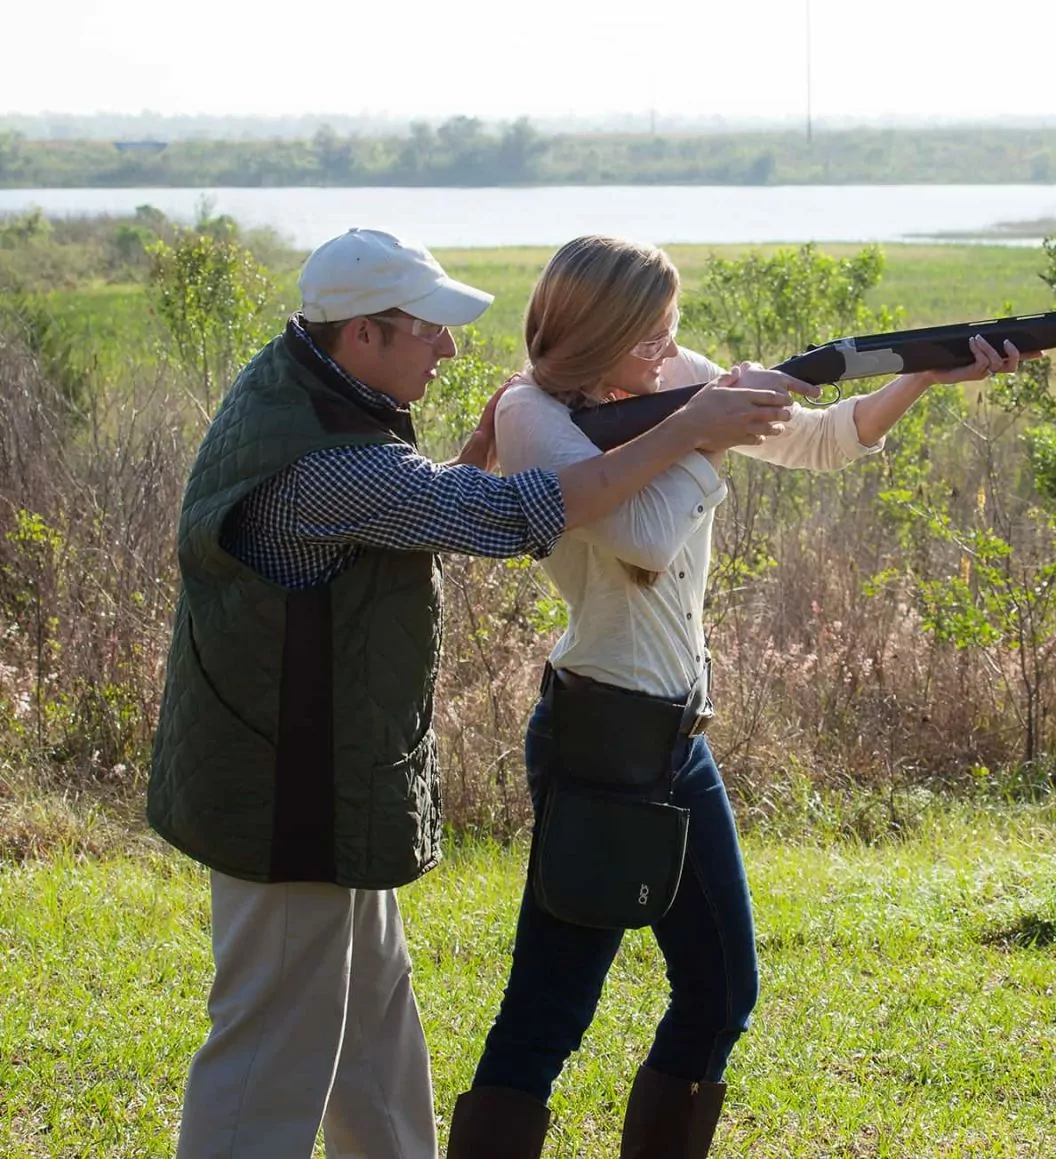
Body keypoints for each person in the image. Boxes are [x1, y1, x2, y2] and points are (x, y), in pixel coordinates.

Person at [145, 227, 799, 1159]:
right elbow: (497, 517)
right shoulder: (327, 461)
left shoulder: (300, 391)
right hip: (287, 794)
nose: (450, 347)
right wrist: (689, 431)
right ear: (362, 334)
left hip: (321, 783)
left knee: (373, 1026)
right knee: (269, 1051)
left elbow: (397, 513)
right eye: (428, 329)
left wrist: (472, 453)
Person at [449, 234, 1025, 1158]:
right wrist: (701, 435)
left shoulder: (679, 380)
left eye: (670, 329)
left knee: (722, 990)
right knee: (550, 1012)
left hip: (676, 734)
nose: (668, 350)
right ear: (593, 330)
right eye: (649, 335)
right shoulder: (530, 414)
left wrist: (920, 375)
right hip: (600, 731)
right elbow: (639, 534)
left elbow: (825, 440)